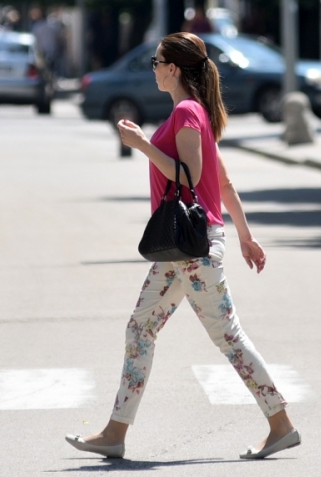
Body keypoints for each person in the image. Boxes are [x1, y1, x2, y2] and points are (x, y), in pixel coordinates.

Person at [65, 32, 300, 460]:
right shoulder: (196, 113)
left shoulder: (189, 112)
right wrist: (245, 236)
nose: (153, 68)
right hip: (185, 249)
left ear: (173, 68)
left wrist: (142, 146)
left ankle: (281, 422)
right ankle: (115, 433)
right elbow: (222, 182)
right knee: (141, 329)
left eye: (156, 62)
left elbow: (189, 175)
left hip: (193, 247)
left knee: (227, 335)